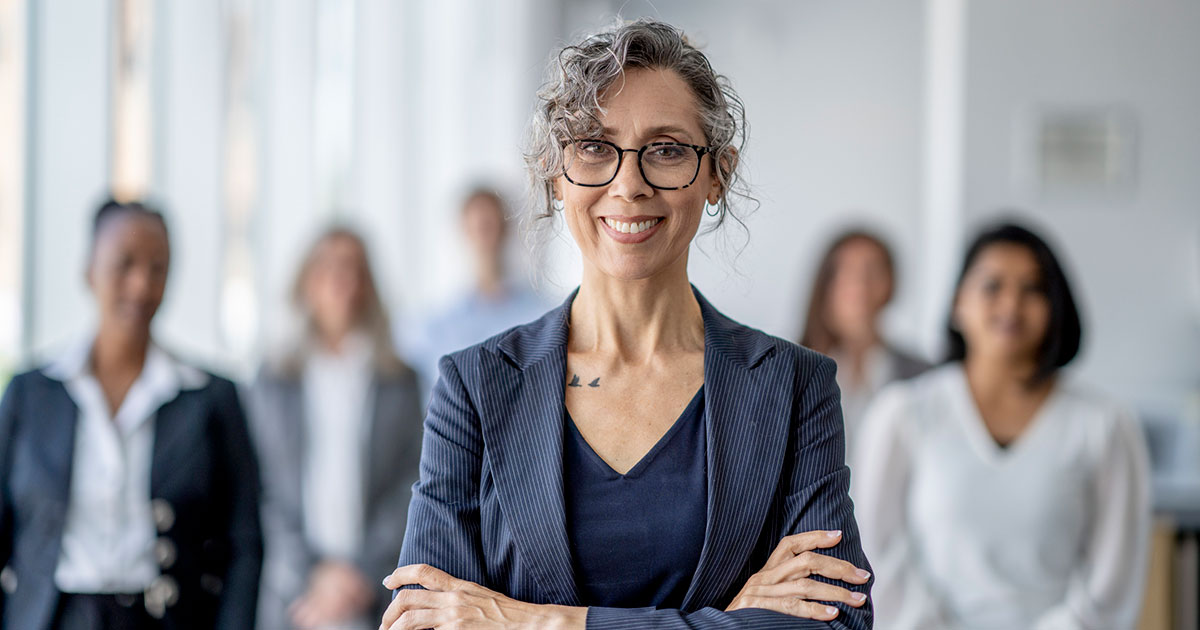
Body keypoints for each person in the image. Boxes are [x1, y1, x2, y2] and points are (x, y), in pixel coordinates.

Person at [379, 19, 873, 629]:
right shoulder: (475, 386)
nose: (629, 184)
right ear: (554, 174)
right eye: (594, 147)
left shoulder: (794, 386)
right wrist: (726, 619)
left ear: (717, 173)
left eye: (667, 150)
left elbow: (835, 622)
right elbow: (423, 621)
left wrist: (535, 621)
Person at [853, 222, 1151, 629]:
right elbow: (877, 554)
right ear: (959, 302)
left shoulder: (1105, 426)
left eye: (1033, 289)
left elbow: (1113, 581)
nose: (1011, 305)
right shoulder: (902, 415)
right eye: (992, 286)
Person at [0, 198, 262, 630]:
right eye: (124, 264)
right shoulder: (31, 395)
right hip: (54, 617)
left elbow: (244, 541)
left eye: (158, 268)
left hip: (166, 618)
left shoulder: (210, 397)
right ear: (89, 271)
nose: (141, 285)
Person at [246, 227, 423, 630]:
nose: (341, 281)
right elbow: (261, 484)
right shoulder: (273, 380)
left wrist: (360, 574)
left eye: (352, 268)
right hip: (294, 593)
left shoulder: (400, 379)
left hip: (375, 591)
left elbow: (412, 481)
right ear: (306, 281)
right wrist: (312, 574)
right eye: (328, 267)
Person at [402, 187, 546, 396]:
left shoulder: (540, 314)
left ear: (506, 229)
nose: (485, 236)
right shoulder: (435, 324)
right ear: (464, 230)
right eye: (478, 226)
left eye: (490, 225)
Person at [799, 230, 928, 452]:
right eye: (846, 273)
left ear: (891, 284)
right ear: (826, 283)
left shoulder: (923, 376)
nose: (860, 285)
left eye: (873, 272)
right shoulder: (793, 371)